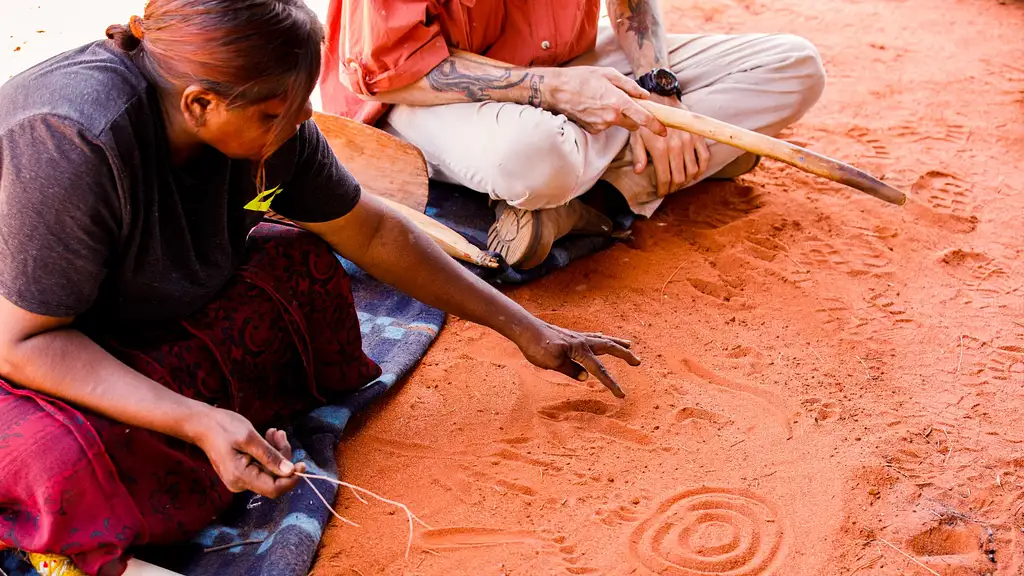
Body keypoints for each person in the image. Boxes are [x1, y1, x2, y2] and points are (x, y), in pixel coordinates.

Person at [0, 1, 642, 574]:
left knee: (301, 269)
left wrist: (526, 328)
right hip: (30, 333)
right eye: (281, 111)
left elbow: (370, 232)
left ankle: (200, 429)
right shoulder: (71, 140)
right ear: (200, 104)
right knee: (59, 459)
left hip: (133, 313)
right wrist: (198, 421)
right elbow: (24, 343)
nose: (304, 121)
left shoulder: (262, 116)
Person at [318, 0, 827, 269]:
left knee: (792, 67)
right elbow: (390, 70)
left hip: (568, 63)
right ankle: (669, 163)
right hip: (431, 93)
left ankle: (590, 197)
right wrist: (555, 90)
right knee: (535, 156)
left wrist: (657, 91)